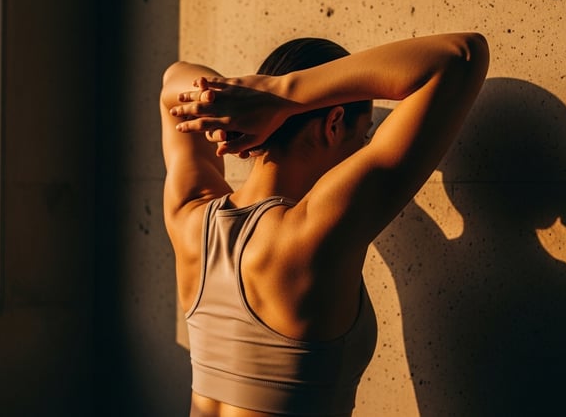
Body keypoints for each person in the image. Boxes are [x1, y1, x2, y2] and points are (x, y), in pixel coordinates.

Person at [160, 32, 489, 417]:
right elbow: (461, 57)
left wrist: (239, 98)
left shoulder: (191, 215)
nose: (365, 147)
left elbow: (173, 81)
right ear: (334, 124)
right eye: (365, 134)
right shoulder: (312, 233)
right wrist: (280, 94)